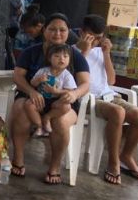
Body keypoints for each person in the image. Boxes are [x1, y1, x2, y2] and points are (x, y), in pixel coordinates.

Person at [9, 14, 90, 184]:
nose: (57, 33)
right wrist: (31, 91)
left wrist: (74, 94)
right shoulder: (31, 52)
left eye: (62, 30)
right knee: (21, 110)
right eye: (52, 29)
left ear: (68, 32)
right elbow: (18, 76)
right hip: (33, 97)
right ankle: (18, 158)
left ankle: (54, 166)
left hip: (62, 102)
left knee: (61, 122)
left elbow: (85, 84)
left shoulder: (75, 56)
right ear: (44, 30)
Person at [77, 14, 138, 185]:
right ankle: (113, 161)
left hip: (109, 95)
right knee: (118, 112)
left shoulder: (101, 51)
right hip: (87, 98)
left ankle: (126, 156)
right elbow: (73, 81)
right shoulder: (71, 52)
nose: (95, 41)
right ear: (81, 33)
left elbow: (111, 80)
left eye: (99, 38)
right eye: (91, 37)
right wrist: (84, 52)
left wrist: (106, 53)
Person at [25, 43, 77, 137]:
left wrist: (56, 92)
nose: (61, 59)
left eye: (65, 56)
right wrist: (38, 80)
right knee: (28, 104)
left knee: (67, 107)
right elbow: (32, 83)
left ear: (69, 60)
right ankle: (39, 126)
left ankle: (47, 117)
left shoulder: (67, 75)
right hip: (41, 100)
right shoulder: (43, 71)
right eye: (57, 56)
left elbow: (70, 91)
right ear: (50, 58)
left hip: (56, 102)